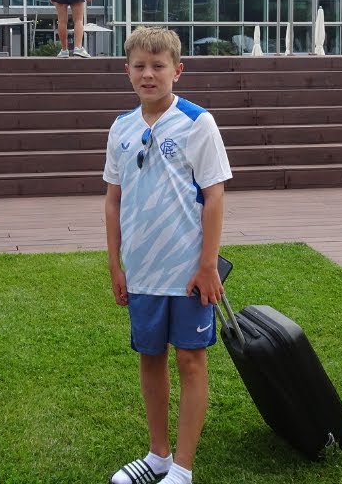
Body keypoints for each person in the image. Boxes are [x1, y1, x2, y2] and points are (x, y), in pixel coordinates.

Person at [103, 27, 232, 484]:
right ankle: (157, 455)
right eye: (139, 66)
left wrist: (207, 264)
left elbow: (214, 196)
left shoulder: (198, 122)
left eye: (158, 66)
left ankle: (182, 468)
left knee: (190, 360)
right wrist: (116, 264)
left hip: (189, 272)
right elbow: (113, 199)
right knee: (150, 356)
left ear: (177, 70)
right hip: (141, 270)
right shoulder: (121, 128)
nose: (148, 74)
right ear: (127, 72)